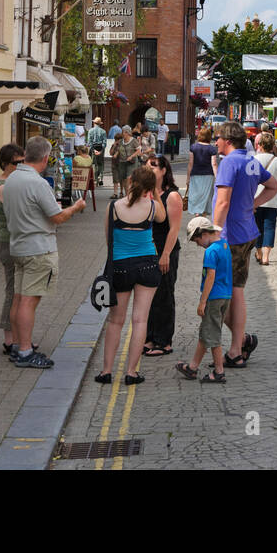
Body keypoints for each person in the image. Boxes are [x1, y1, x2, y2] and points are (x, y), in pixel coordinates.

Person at [3, 135, 86, 368]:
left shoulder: (11, 179)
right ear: (46, 157)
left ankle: (18, 346)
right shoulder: (38, 183)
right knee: (29, 302)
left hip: (18, 245)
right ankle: (27, 352)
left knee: (18, 299)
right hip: (38, 248)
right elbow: (57, 217)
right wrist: (76, 207)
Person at [211, 120, 277, 368]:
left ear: (227, 140)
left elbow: (222, 203)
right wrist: (254, 203)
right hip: (248, 231)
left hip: (231, 236)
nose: (215, 141)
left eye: (218, 137)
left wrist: (214, 234)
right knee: (233, 290)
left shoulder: (229, 162)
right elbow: (274, 186)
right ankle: (239, 344)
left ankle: (236, 350)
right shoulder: (251, 160)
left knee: (230, 293)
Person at [94, 166, 166, 385]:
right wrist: (154, 193)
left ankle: (106, 371)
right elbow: (162, 219)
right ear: (149, 187)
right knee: (140, 320)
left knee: (115, 321)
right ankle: (131, 373)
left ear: (130, 181)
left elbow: (109, 241)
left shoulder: (114, 207)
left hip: (120, 266)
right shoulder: (152, 206)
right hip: (147, 265)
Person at [175, 217, 230, 384]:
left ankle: (219, 372)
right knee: (207, 332)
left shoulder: (211, 251)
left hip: (213, 297)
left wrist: (202, 301)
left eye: (196, 240)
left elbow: (210, 277)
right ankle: (192, 367)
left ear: (204, 233)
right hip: (225, 295)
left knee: (212, 335)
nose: (197, 244)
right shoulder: (224, 245)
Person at [143, 155, 184, 357]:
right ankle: (149, 338)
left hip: (165, 250)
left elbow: (174, 229)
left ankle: (163, 341)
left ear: (164, 171)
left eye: (153, 166)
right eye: (146, 165)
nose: (149, 169)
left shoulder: (172, 196)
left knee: (164, 295)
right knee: (148, 297)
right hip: (147, 251)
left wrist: (166, 253)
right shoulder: (146, 193)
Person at [0, 143, 29, 355]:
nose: (21, 166)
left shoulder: (12, 184)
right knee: (13, 293)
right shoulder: (4, 187)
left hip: (16, 243)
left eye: (23, 161)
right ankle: (10, 339)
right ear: (6, 164)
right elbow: (20, 215)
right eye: (17, 163)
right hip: (9, 244)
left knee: (20, 293)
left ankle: (17, 338)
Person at [252, 132, 277, 267]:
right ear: (273, 146)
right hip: (273, 199)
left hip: (256, 199)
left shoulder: (253, 160)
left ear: (260, 145)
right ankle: (266, 257)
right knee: (270, 227)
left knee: (256, 228)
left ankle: (259, 252)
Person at [187, 124, 217, 216]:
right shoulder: (212, 149)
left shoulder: (193, 147)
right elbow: (214, 164)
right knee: (206, 198)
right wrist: (217, 177)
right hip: (208, 175)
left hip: (195, 175)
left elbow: (190, 163)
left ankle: (197, 217)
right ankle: (202, 219)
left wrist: (188, 178)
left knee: (196, 197)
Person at [112, 126, 139, 198]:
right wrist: (116, 154)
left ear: (127, 133)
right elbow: (118, 149)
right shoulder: (121, 141)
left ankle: (129, 195)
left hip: (132, 162)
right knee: (123, 179)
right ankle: (127, 195)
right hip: (122, 161)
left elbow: (139, 151)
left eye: (123, 132)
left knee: (128, 178)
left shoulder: (134, 141)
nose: (122, 134)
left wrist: (131, 156)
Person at [87, 118, 107, 186]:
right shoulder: (103, 131)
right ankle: (100, 178)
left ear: (94, 123)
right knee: (101, 164)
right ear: (100, 124)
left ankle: (95, 180)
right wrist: (101, 150)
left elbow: (89, 142)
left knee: (94, 164)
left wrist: (94, 150)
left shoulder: (90, 131)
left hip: (94, 148)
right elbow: (104, 143)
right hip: (101, 147)